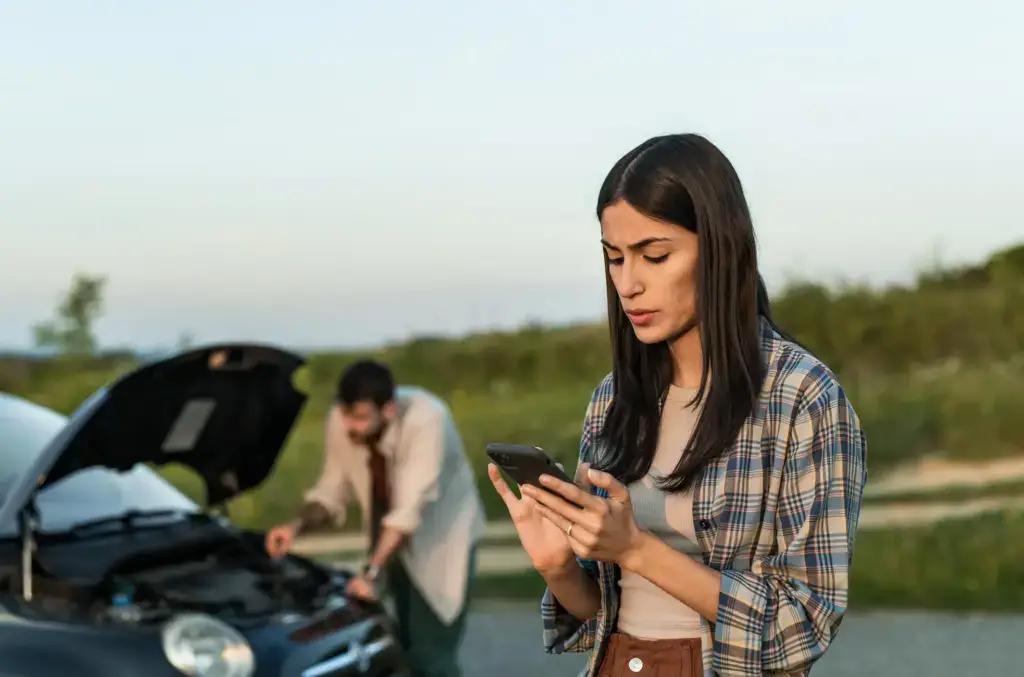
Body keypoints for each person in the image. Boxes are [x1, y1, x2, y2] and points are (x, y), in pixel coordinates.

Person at [489, 134, 868, 677]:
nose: (629, 283)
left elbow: (802, 623)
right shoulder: (614, 397)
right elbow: (604, 615)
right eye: (614, 259)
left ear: (719, 247)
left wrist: (637, 549)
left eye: (655, 255)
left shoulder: (801, 397)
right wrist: (557, 567)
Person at [266, 359, 485, 677]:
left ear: (389, 410)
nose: (350, 426)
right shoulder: (343, 422)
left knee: (431, 656)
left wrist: (370, 572)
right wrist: (295, 526)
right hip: (388, 541)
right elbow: (332, 487)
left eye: (361, 418)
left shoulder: (428, 419)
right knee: (394, 645)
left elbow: (407, 512)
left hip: (442, 541)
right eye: (345, 414)